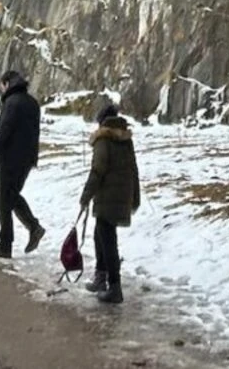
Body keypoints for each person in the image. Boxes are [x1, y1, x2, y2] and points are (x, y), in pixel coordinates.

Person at [79, 102, 140, 305]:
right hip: (122, 194)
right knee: (101, 234)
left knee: (107, 239)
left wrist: (86, 195)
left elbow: (98, 170)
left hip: (107, 196)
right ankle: (101, 276)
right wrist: (135, 197)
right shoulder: (125, 138)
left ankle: (114, 286)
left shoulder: (103, 139)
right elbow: (134, 170)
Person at [0, 70, 44, 258]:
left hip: (10, 158)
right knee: (12, 196)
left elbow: (4, 130)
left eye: (1, 86)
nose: (0, 90)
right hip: (26, 159)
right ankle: (33, 227)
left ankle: (5, 245)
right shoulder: (32, 103)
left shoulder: (12, 103)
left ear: (7, 83)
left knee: (3, 200)